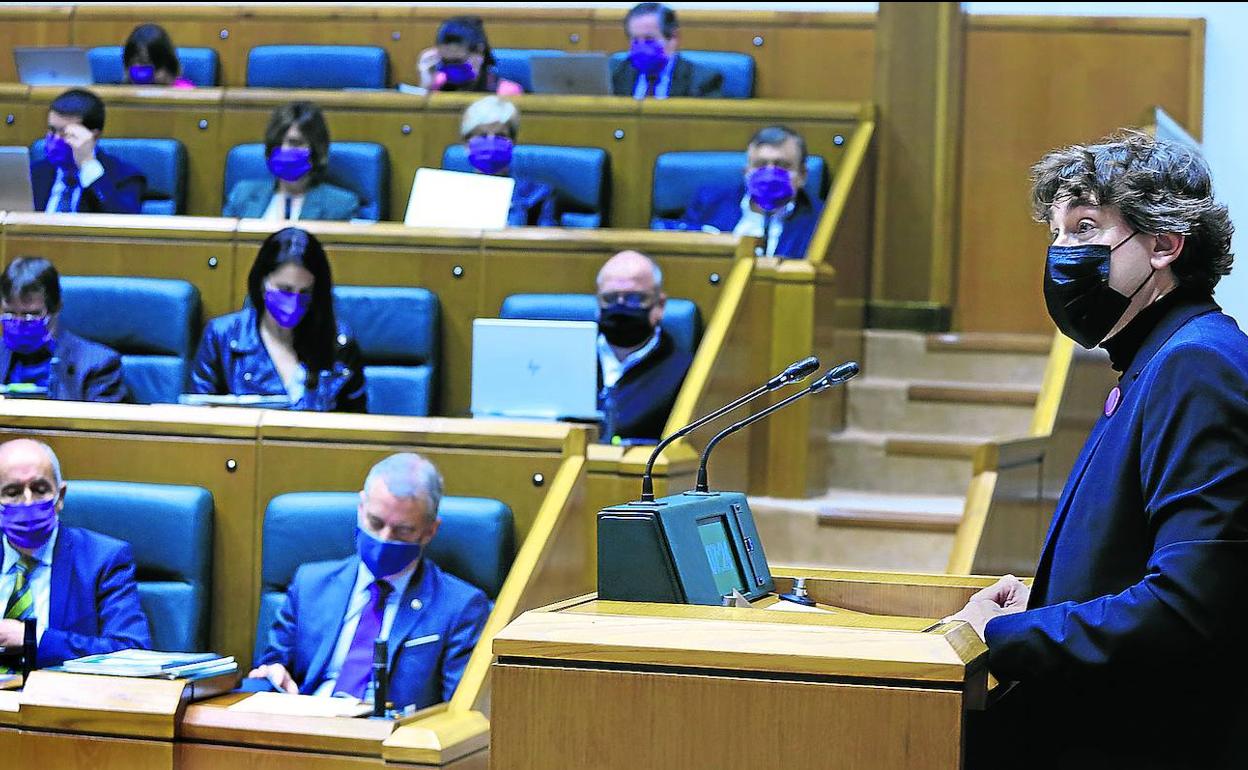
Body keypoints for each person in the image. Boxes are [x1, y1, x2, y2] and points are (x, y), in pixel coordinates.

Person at [945, 132, 1248, 768]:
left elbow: (1188, 608)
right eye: (1056, 232)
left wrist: (1000, 635)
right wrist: (1049, 603)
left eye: (1085, 229)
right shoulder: (1155, 360)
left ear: (1165, 245)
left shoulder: (1196, 365)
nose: (1062, 255)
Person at [248, 453, 491, 712]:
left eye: (403, 530)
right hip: (306, 728)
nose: (385, 538)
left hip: (390, 740)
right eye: (375, 523)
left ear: (430, 530)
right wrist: (273, 674)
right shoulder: (310, 584)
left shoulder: (460, 607)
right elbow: (273, 666)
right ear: (361, 508)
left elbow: (460, 714)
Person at [0, 439, 151, 671]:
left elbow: (132, 651)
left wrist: (34, 639)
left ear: (60, 496)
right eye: (13, 492)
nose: (28, 502)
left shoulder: (103, 560)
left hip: (61, 701)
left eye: (40, 490)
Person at [190, 227, 366, 412]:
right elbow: (198, 422)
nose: (293, 303)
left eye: (304, 292)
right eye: (285, 289)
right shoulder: (222, 337)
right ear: (262, 283)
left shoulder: (339, 344)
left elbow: (356, 428)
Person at [681, 126, 822, 259]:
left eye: (782, 166)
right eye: (760, 165)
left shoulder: (822, 219)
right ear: (746, 172)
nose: (769, 175)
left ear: (802, 175)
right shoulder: (709, 203)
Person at [0, 257, 128, 403]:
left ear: (56, 308)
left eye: (31, 315)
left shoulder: (98, 365)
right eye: (9, 314)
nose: (19, 323)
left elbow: (101, 423)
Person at [596, 250, 693, 443]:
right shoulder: (565, 359)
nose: (621, 307)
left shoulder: (686, 371)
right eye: (610, 298)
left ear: (660, 305)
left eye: (634, 299)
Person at [222, 101, 360, 221]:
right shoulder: (242, 195)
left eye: (295, 143)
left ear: (316, 149)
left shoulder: (341, 206)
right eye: (277, 143)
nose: (284, 150)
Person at [31, 89, 146, 215]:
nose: (56, 140)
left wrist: (88, 163)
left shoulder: (126, 177)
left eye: (66, 133)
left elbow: (124, 224)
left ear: (94, 136)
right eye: (53, 130)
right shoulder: (33, 174)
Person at [459, 96, 557, 227]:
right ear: (466, 144)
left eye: (500, 136)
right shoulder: (448, 193)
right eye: (482, 135)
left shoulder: (537, 195)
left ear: (513, 142)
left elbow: (547, 242)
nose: (491, 142)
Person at [610, 3, 722, 99]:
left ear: (673, 38)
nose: (641, 47)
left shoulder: (702, 81)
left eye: (649, 39)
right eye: (635, 40)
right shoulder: (615, 74)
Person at [417, 16, 522, 95]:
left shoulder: (506, 92)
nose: (452, 69)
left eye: (457, 62)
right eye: (446, 62)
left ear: (479, 53)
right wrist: (425, 85)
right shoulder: (437, 84)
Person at [122, 23, 194, 88]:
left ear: (168, 67)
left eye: (145, 63)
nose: (138, 73)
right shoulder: (119, 93)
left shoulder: (185, 94)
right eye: (131, 63)